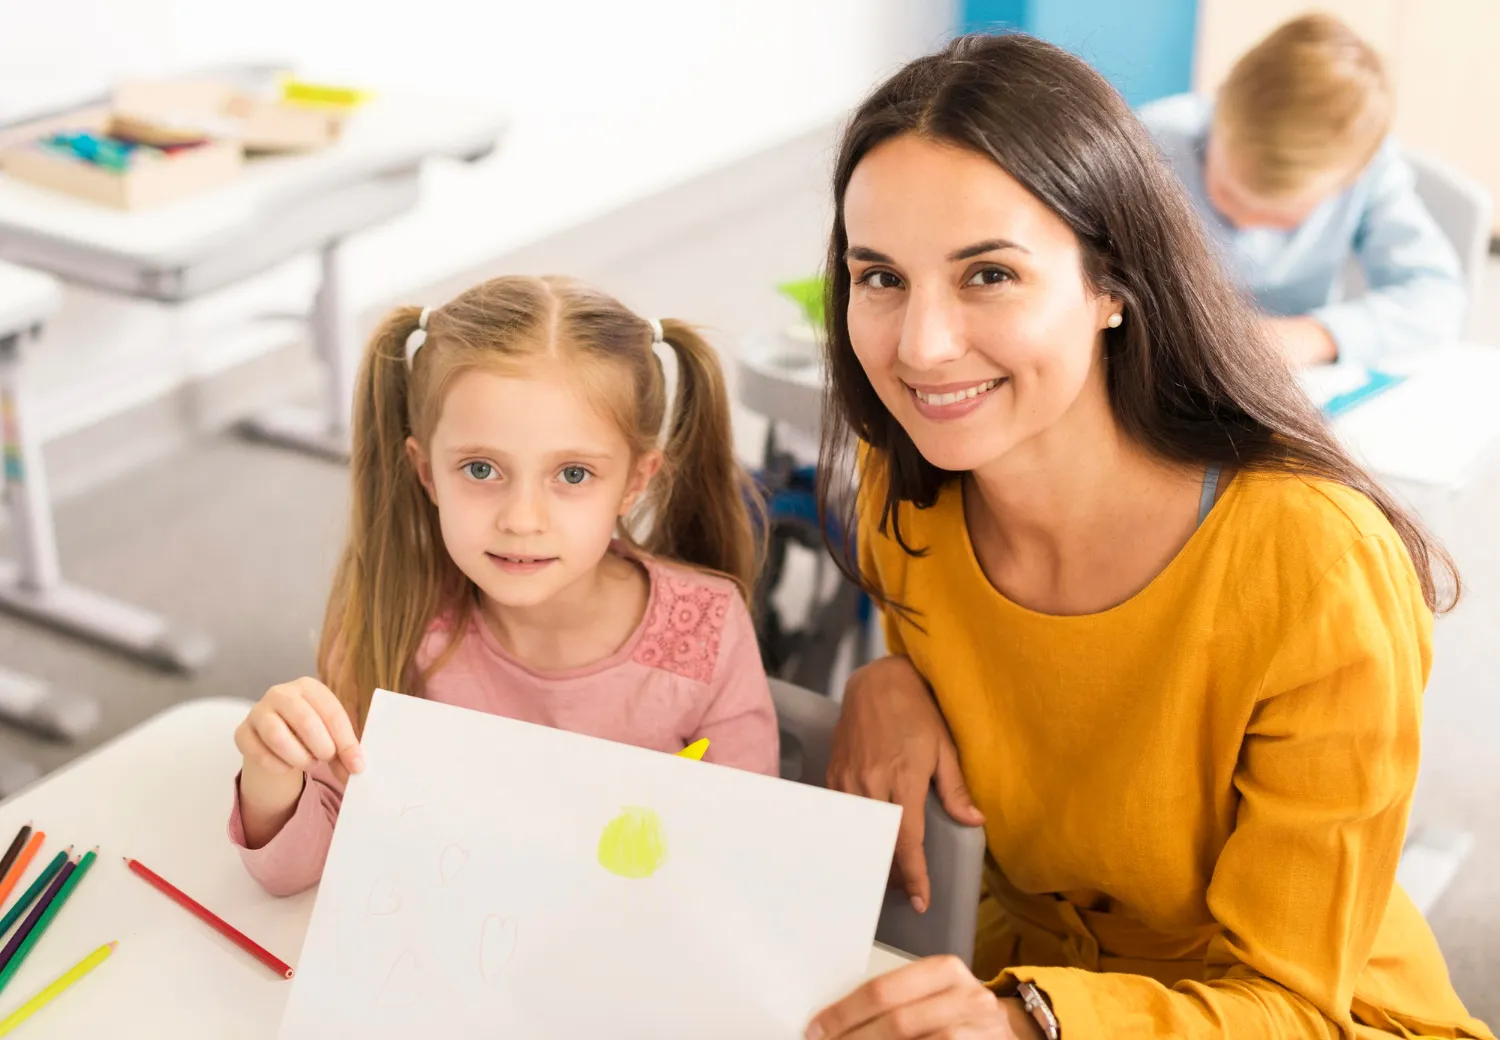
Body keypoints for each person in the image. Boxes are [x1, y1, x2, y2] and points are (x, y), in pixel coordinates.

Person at [803, 32, 1492, 1040]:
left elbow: (1290, 998)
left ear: (1113, 284)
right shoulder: (901, 485)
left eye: (987, 274)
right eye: (880, 277)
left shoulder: (1316, 563)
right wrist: (888, 677)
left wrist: (1031, 1021)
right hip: (1006, 979)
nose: (919, 346)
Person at [228, 275, 778, 896]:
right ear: (426, 472)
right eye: (481, 469)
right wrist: (271, 778)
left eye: (572, 473)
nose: (521, 519)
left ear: (634, 481)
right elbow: (300, 872)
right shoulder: (394, 618)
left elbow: (745, 859)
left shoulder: (705, 625)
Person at [1140, 13, 1467, 370]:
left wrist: (1315, 335)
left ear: (1348, 181)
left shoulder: (1370, 172)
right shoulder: (1147, 145)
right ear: (1218, 109)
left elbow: (1437, 296)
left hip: (1292, 380)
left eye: (1281, 218)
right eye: (1227, 193)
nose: (1246, 222)